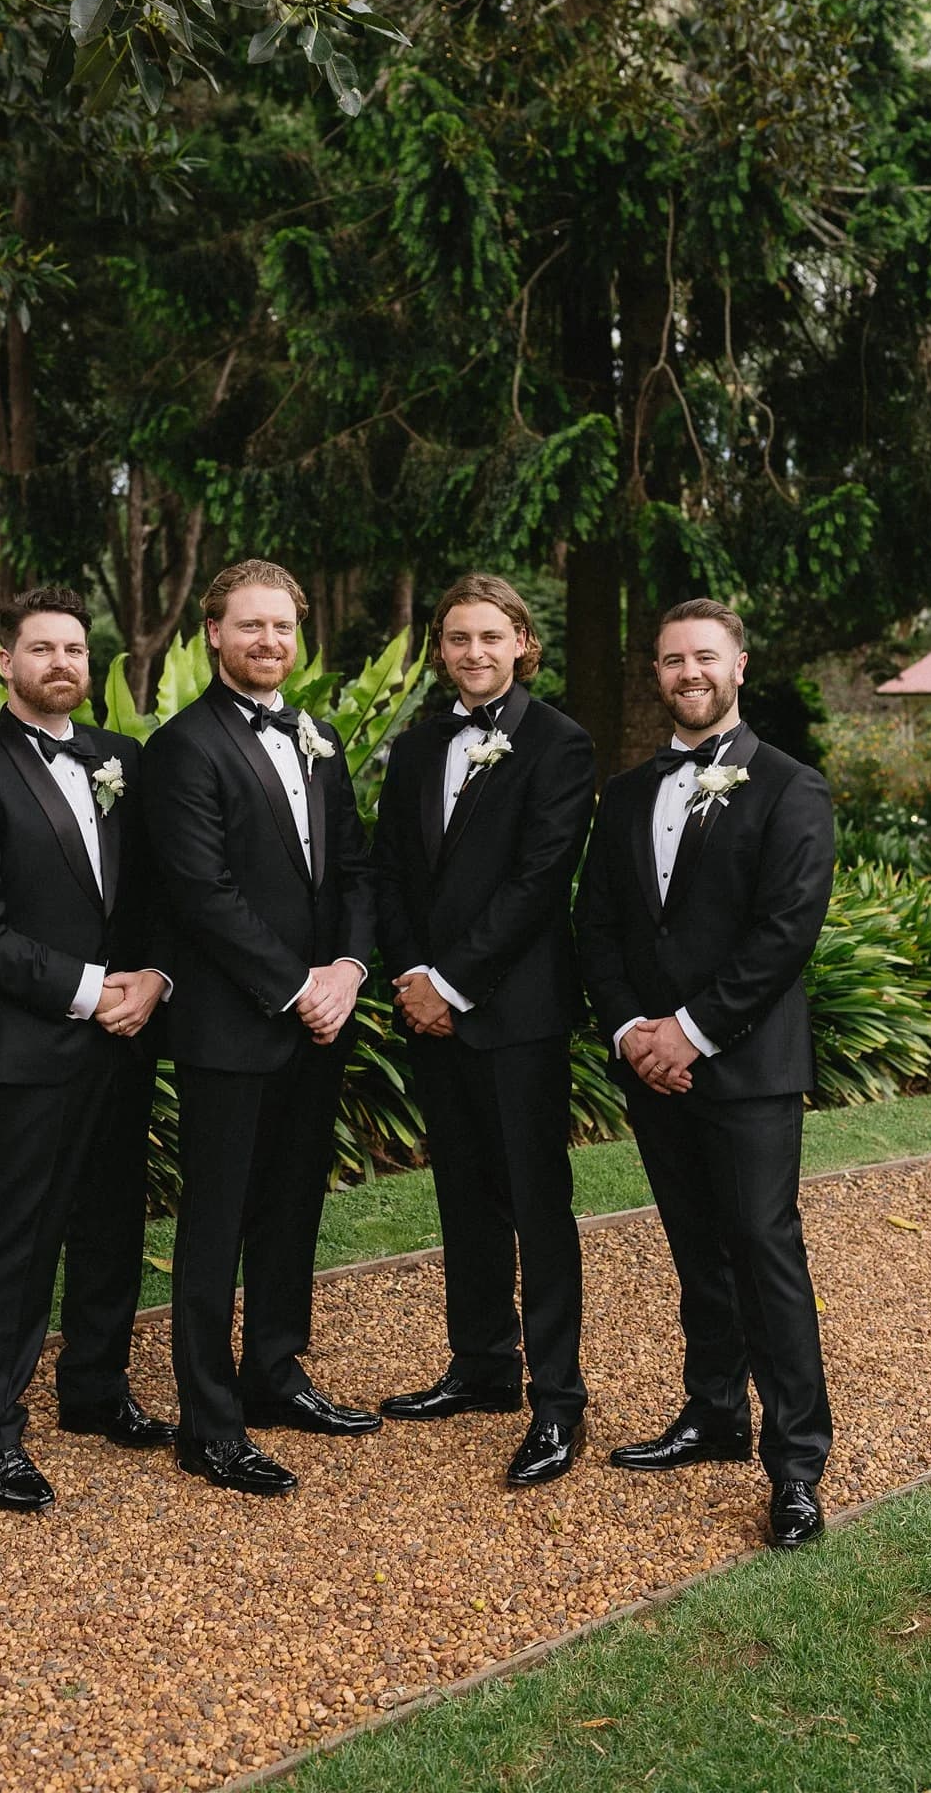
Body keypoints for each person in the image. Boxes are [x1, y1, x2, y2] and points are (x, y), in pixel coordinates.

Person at [576, 597, 835, 1549]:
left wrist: (689, 1031)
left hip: (746, 1067)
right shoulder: (626, 793)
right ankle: (714, 1412)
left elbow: (783, 934)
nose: (687, 673)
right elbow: (599, 926)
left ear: (737, 666)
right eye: (671, 660)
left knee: (764, 1254)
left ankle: (797, 1464)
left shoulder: (789, 787)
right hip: (652, 1066)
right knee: (694, 1250)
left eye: (704, 658)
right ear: (656, 673)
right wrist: (630, 1033)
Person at [0, 585, 173, 1513]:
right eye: (42, 650)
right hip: (29, 1049)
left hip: (128, 1037)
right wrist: (84, 990)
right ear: (6, 661)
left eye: (74, 649)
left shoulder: (125, 761)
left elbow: (155, 895)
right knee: (20, 1241)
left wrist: (151, 980)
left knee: (112, 1224)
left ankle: (95, 1393)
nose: (61, 663)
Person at [140, 559, 379, 1498]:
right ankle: (209, 1422)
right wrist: (296, 987)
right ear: (212, 632)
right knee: (217, 1221)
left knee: (291, 1209)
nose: (268, 643)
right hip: (231, 1027)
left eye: (282, 627)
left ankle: (275, 1375)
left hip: (319, 1021)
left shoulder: (318, 737)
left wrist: (350, 972)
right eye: (250, 627)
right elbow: (202, 893)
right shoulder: (180, 749)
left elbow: (356, 868)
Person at [374, 573, 596, 1487]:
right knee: (462, 1197)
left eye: (490, 638)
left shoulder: (559, 744)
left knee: (535, 1206)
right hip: (428, 1014)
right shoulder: (417, 746)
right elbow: (387, 870)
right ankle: (480, 1367)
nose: (473, 653)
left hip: (516, 1014)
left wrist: (454, 982)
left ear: (522, 646)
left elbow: (538, 881)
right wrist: (409, 977)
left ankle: (557, 1402)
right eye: (458, 639)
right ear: (441, 650)